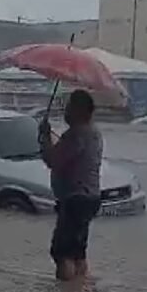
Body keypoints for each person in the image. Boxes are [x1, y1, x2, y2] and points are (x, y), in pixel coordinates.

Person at [38, 89, 103, 281]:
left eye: (69, 107)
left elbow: (53, 160)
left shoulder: (76, 134)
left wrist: (43, 138)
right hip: (90, 198)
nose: (66, 111)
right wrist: (50, 136)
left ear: (79, 110)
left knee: (62, 253)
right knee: (77, 252)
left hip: (75, 199)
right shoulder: (94, 133)